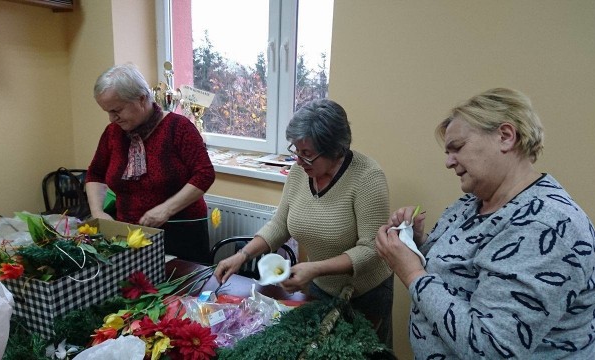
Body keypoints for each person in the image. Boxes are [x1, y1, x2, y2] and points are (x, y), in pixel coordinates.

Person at [376, 88, 595, 359]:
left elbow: (492, 348)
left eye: (457, 148)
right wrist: (414, 243)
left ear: (505, 137)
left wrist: (411, 273)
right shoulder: (472, 203)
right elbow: (455, 274)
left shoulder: (547, 226)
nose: (449, 162)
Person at [214, 99, 394, 347]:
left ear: (335, 149)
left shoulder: (367, 178)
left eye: (307, 154)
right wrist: (242, 255)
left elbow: (372, 249)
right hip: (321, 288)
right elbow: (280, 224)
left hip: (365, 294)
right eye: (296, 150)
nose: (298, 160)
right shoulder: (301, 172)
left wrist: (315, 268)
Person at [86, 63, 216, 263]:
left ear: (142, 99)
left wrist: (166, 209)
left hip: (181, 236)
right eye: (108, 112)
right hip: (128, 236)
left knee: (182, 292)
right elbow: (95, 173)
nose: (112, 119)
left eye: (117, 110)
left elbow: (204, 174)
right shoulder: (113, 133)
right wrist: (98, 212)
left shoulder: (179, 128)